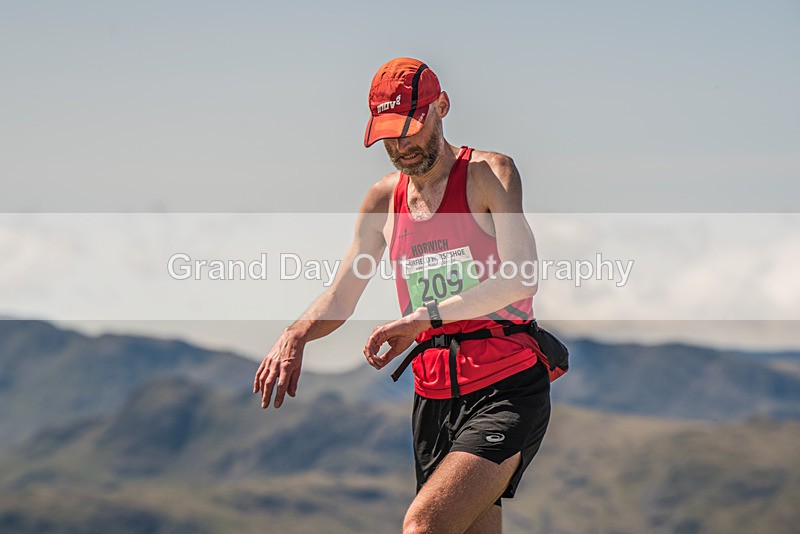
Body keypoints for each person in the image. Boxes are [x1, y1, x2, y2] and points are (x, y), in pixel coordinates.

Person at [254, 57, 551, 534]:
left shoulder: (489, 174)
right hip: (433, 396)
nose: (401, 146)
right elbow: (342, 294)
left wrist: (422, 319)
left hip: (505, 384)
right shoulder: (382, 200)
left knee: (423, 527)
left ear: (442, 107)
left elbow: (520, 278)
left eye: (410, 129)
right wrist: (296, 333)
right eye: (389, 135)